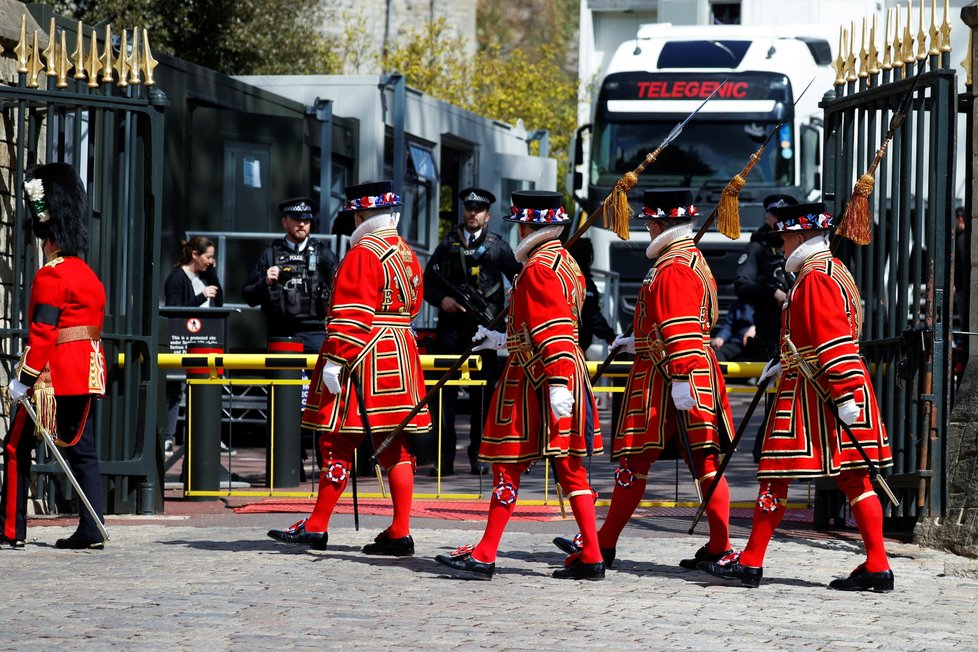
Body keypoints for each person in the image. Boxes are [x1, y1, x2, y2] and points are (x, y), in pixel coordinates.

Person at [699, 202, 894, 591]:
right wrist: (782, 359)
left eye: (786, 238)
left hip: (817, 390)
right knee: (856, 479)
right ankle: (877, 564)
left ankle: (751, 562)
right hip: (828, 384)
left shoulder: (815, 277)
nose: (782, 246)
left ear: (802, 237)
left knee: (775, 476)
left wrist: (842, 394)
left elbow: (832, 341)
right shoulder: (829, 270)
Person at [552, 189, 735, 572]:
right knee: (693, 460)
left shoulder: (674, 266)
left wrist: (681, 376)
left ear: (658, 223)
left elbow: (681, 328)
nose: (648, 229)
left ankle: (716, 545)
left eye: (650, 223)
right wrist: (638, 338)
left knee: (662, 461)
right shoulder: (689, 259)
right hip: (677, 368)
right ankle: (611, 541)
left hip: (669, 373)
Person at [434, 190, 604, 581]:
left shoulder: (541, 267)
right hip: (551, 371)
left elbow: (556, 330)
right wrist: (500, 340)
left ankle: (486, 553)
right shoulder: (564, 263)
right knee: (570, 469)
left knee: (508, 467)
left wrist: (558, 380)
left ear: (531, 226)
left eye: (522, 224)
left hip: (537, 378)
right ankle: (591, 554)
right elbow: (541, 327)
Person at [266, 180, 431, 555]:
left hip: (362, 354)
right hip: (400, 353)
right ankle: (400, 530)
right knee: (395, 444)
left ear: (360, 214)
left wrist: (336, 359)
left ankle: (318, 524)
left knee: (336, 440)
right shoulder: (405, 252)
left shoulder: (363, 252)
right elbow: (415, 304)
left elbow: (352, 311)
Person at [1, 162, 108, 550]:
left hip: (52, 379)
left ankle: (11, 530)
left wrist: (23, 380)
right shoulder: (88, 276)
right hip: (87, 374)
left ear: (47, 235)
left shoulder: (52, 275)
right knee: (83, 453)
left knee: (15, 446)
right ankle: (92, 527)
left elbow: (44, 333)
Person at [423, 187, 520, 476]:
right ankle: (444, 458)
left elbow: (519, 278)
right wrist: (443, 300)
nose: (472, 214)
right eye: (468, 209)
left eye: (478, 210)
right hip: (451, 328)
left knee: (483, 394)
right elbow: (428, 282)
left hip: (485, 329)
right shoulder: (447, 244)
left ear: (487, 216)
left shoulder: (498, 246)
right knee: (444, 393)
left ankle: (479, 455)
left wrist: (508, 312)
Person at [242, 196, 339, 354]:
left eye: (306, 220)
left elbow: (343, 289)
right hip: (280, 333)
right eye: (296, 219)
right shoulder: (270, 255)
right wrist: (264, 282)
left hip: (316, 333)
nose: (302, 224)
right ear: (284, 222)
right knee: (282, 379)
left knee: (320, 378)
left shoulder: (324, 254)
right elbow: (248, 297)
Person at [161, 236, 224, 453]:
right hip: (183, 341)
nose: (211, 261)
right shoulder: (177, 278)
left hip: (207, 340)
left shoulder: (206, 276)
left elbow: (219, 301)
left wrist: (211, 275)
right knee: (175, 389)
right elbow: (174, 310)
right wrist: (200, 297)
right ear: (195, 255)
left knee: (207, 386)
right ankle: (169, 435)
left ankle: (208, 436)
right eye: (208, 257)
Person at [734, 194, 798, 360]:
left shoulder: (800, 243)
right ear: (768, 217)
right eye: (776, 215)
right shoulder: (757, 246)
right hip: (771, 326)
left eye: (784, 215)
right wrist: (772, 291)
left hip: (798, 322)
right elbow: (742, 285)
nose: (779, 220)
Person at [567, 237, 617, 353]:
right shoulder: (584, 283)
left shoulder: (566, 280)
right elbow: (591, 314)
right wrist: (610, 336)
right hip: (575, 344)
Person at [710, 298, 758, 362]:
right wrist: (721, 337)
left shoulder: (770, 302)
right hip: (738, 343)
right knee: (717, 354)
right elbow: (729, 324)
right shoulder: (740, 302)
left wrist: (756, 327)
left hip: (759, 345)